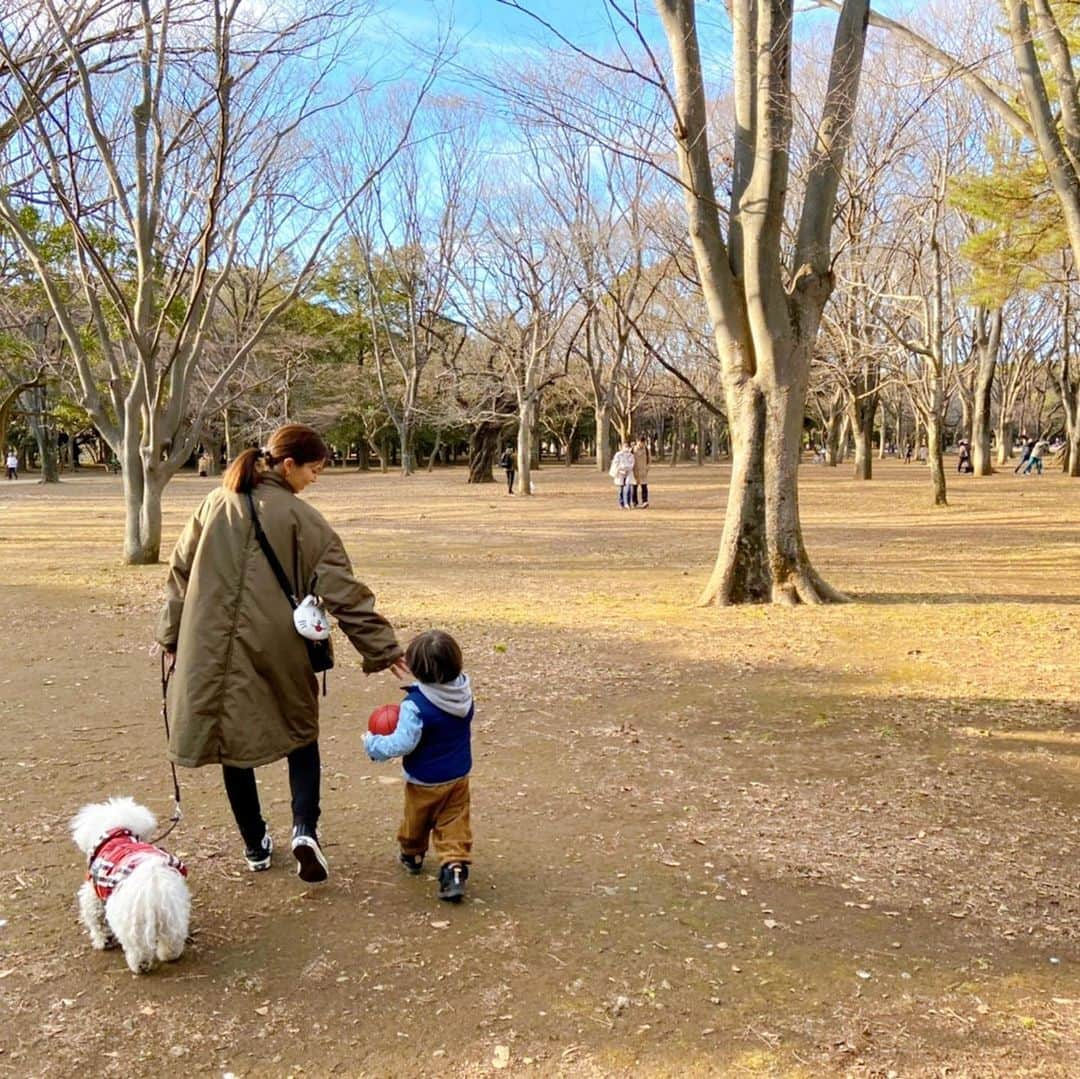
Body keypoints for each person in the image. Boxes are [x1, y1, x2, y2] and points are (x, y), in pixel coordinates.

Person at [155, 423, 403, 883]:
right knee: (301, 733)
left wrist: (170, 637)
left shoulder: (214, 503)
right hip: (281, 648)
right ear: (288, 465)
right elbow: (343, 592)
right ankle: (305, 830)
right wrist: (384, 649)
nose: (316, 478)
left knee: (231, 743)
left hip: (207, 648)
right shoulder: (304, 520)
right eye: (314, 469)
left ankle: (254, 845)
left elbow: (179, 573)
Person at [364, 629, 474, 903]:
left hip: (424, 780)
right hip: (458, 776)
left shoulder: (415, 706)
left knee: (416, 821)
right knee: (454, 822)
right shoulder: (464, 693)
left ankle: (412, 854)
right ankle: (455, 866)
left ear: (416, 669)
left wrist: (373, 745)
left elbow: (402, 743)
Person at [609, 441, 636, 509]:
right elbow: (616, 464)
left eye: (627, 446)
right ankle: (621, 503)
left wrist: (627, 469)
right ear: (621, 447)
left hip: (628, 473)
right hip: (620, 473)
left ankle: (628, 503)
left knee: (628, 489)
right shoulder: (618, 455)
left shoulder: (631, 455)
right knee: (621, 489)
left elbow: (632, 464)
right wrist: (621, 470)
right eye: (625, 446)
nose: (626, 448)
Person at [631, 437, 650, 507]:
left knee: (644, 487)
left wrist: (647, 468)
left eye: (643, 442)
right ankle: (634, 502)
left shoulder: (647, 450)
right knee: (634, 487)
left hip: (643, 471)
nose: (641, 444)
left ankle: (645, 501)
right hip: (635, 471)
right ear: (637, 441)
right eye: (640, 442)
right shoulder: (633, 449)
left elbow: (649, 460)